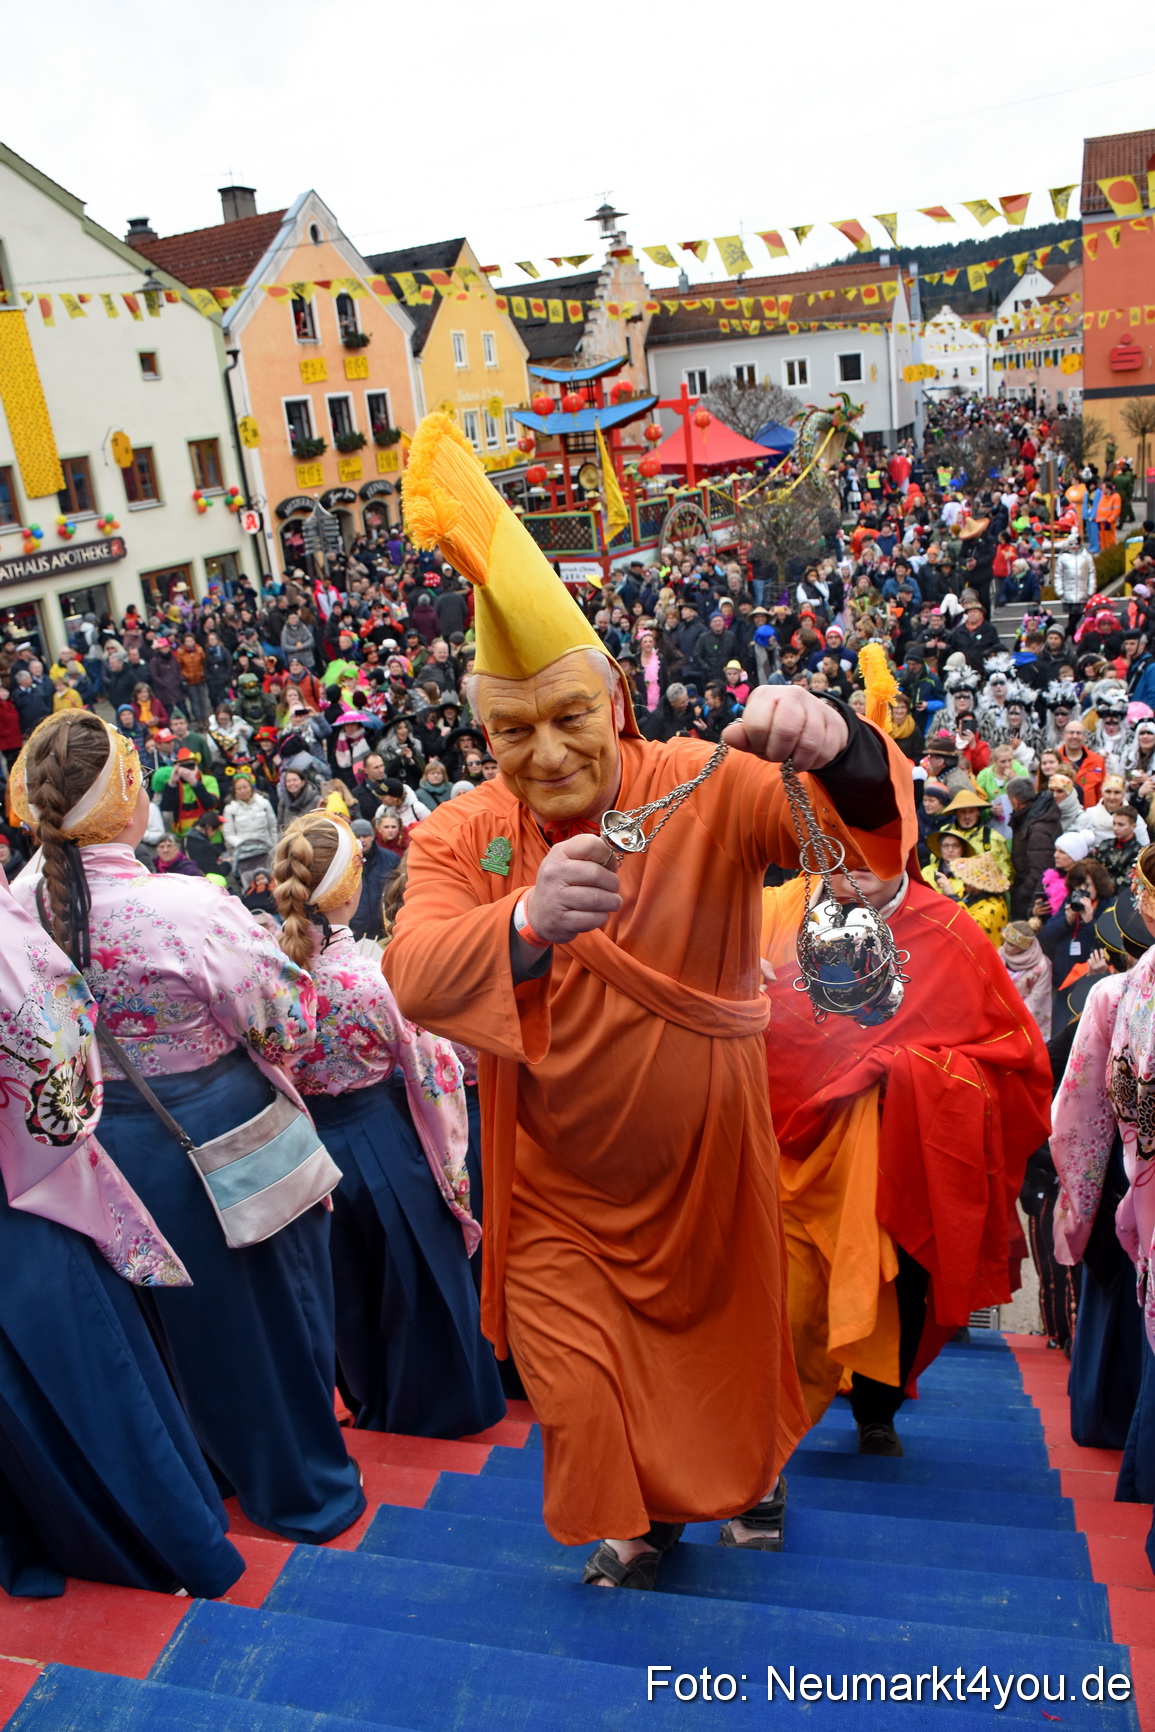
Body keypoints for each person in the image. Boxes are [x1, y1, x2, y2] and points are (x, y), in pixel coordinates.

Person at [385, 412, 915, 1584]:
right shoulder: (463, 835)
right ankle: (639, 1518)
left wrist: (832, 743)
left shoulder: (700, 780)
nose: (545, 752)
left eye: (569, 717)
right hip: (558, 1181)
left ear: (614, 700)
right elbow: (413, 970)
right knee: (575, 1369)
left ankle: (749, 1474)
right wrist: (521, 922)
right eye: (510, 730)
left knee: (726, 1343)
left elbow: (861, 854)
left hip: (705, 1156)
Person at [9, 712, 365, 1544]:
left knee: (170, 1328)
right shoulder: (178, 904)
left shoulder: (18, 905)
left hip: (101, 1145)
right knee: (265, 1325)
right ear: (124, 791)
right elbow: (285, 1023)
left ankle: (213, 1474)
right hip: (207, 1130)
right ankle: (302, 1491)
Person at [0, 875, 244, 1600]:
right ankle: (157, 1546)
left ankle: (46, 1538)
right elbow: (59, 1086)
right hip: (28, 1199)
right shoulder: (13, 938)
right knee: (93, 1382)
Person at [760, 851, 1049, 1451]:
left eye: (877, 845)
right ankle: (771, 1420)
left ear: (905, 850)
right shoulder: (779, 913)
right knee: (792, 1285)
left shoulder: (949, 931)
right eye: (844, 845)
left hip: (910, 1143)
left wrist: (908, 1071)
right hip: (789, 1143)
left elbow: (1012, 1051)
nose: (858, 862)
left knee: (902, 1280)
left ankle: (876, 1409)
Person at [272, 814, 505, 1437]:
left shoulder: (273, 975)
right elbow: (435, 1072)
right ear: (352, 890)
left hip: (307, 1145)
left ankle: (369, 1400)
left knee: (345, 1286)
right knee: (414, 1277)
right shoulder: (375, 978)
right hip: (379, 1133)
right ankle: (432, 1405)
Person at [1052, 854, 1155, 1559]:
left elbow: (1079, 1118)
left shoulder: (1117, 996)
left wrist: (1077, 1207)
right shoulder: (1120, 995)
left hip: (1134, 1184)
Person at [221, 772, 279, 885]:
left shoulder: (264, 803)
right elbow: (228, 833)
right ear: (234, 791)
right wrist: (243, 845)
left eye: (245, 787)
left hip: (266, 851)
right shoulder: (230, 809)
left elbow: (272, 826)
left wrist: (274, 846)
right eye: (239, 788)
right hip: (244, 855)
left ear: (251, 787)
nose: (243, 791)